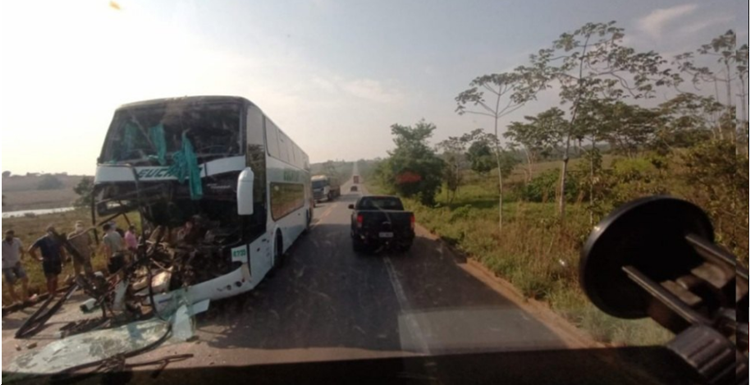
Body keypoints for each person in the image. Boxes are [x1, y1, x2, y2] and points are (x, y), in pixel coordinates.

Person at [29, 225, 67, 296]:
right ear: (47, 231)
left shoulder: (57, 239)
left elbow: (62, 250)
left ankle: (55, 292)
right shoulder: (42, 240)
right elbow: (31, 250)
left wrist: (64, 260)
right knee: (50, 278)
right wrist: (38, 258)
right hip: (48, 261)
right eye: (50, 231)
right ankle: (50, 293)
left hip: (56, 260)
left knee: (56, 276)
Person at [2, 230, 29, 305]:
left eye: (10, 235)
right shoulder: (2, 243)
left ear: (13, 235)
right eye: (7, 235)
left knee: (25, 278)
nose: (8, 236)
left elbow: (22, 251)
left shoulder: (17, 241)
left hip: (17, 264)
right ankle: (15, 300)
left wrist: (21, 258)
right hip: (7, 265)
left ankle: (25, 297)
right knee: (10, 283)